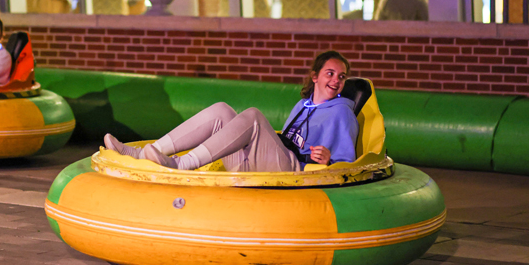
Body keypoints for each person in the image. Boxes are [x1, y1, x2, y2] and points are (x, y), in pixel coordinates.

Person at [103, 51, 358, 172]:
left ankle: (181, 164)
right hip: (265, 164)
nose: (336, 81)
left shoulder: (342, 113)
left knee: (254, 116)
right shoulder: (302, 106)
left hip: (293, 170)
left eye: (341, 77)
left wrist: (329, 161)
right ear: (315, 76)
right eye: (330, 73)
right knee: (222, 111)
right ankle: (141, 154)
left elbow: (350, 165)